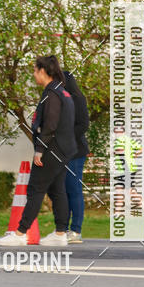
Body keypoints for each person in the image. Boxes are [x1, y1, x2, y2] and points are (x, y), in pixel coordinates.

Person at [0, 55, 76, 248]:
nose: (33, 74)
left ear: (42, 71)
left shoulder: (52, 94)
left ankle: (21, 233)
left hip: (52, 149)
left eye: (34, 70)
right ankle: (60, 233)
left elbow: (50, 124)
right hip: (64, 150)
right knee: (57, 190)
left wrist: (39, 149)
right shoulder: (62, 91)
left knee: (35, 189)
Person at [63, 70, 89, 243]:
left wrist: (66, 138)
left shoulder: (78, 99)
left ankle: (76, 230)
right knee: (62, 191)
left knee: (74, 189)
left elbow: (83, 124)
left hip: (75, 152)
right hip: (61, 152)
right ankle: (62, 229)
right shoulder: (60, 99)